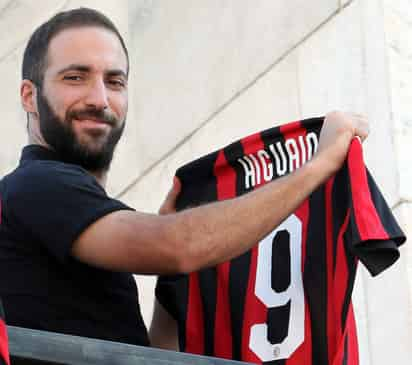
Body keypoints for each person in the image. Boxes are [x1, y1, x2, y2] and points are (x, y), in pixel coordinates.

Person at [0, 7, 368, 347]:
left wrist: (172, 280)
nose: (99, 98)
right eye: (75, 77)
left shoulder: (67, 212)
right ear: (29, 96)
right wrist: (319, 165)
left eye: (115, 82)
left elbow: (156, 351)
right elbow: (179, 247)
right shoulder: (36, 185)